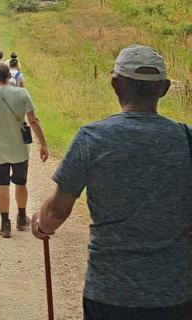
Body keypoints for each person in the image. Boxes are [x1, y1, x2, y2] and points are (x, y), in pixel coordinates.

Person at [31, 45, 192, 319]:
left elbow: (57, 210)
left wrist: (41, 224)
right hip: (175, 294)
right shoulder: (187, 139)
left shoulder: (92, 138)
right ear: (164, 89)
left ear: (115, 85)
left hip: (108, 293)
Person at [0, 62, 49, 238]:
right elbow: (32, 120)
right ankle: (21, 217)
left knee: (2, 185)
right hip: (19, 148)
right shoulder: (22, 93)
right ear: (9, 76)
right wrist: (43, 144)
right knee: (21, 183)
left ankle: (5, 223)